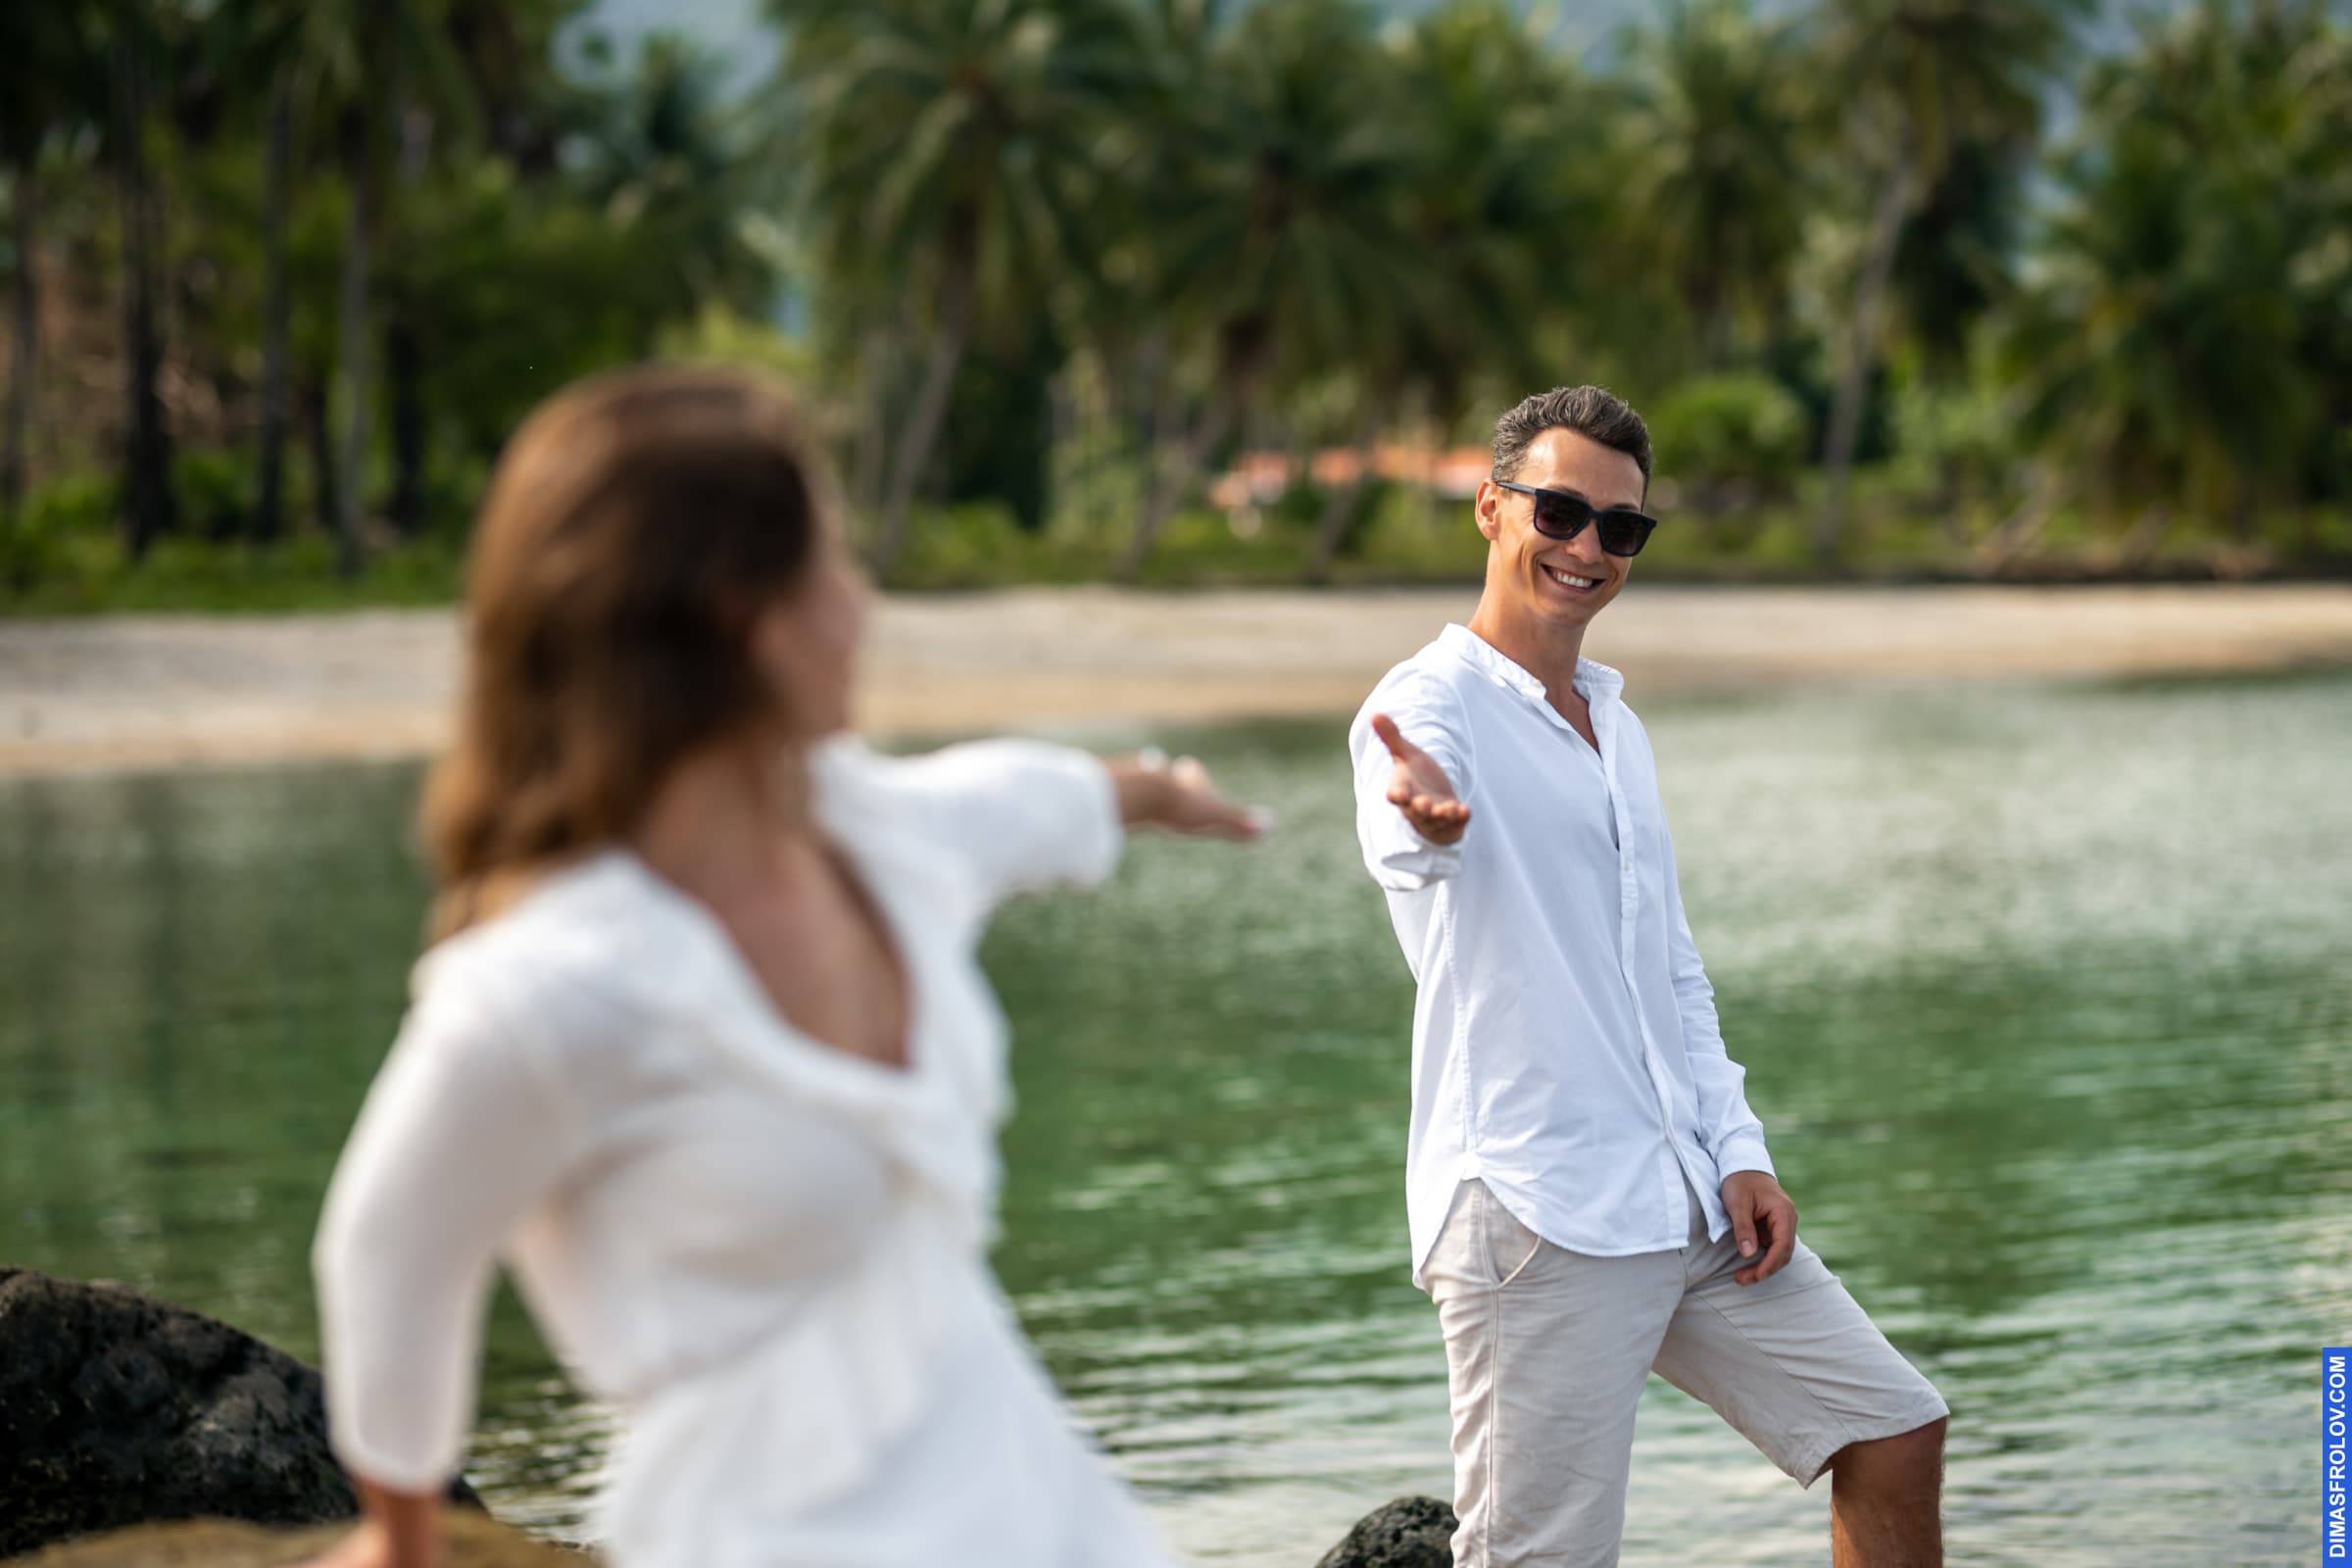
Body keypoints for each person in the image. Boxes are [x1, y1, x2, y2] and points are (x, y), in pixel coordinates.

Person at [306, 366, 1263, 1568]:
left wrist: (1160, 791)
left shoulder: (867, 833)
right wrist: (402, 1541)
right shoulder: (554, 985)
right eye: (833, 568)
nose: (861, 608)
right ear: (738, 616)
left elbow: (1017, 799)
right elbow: (389, 1254)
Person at [1347, 386, 1950, 1568]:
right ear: (1491, 509)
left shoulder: (1613, 721)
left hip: (1683, 1196)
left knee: (1891, 1426)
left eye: (1620, 527)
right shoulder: (1427, 702)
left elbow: (1669, 972)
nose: (1587, 547)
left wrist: (1738, 1149)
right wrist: (1422, 810)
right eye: (1559, 511)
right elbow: (1408, 825)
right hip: (1541, 1210)